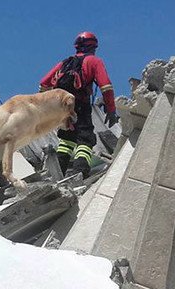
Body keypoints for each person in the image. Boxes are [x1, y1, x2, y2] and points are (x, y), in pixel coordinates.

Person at [39, 31, 119, 178]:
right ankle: (80, 172)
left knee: (66, 140)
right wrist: (111, 110)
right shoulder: (94, 61)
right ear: (93, 47)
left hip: (62, 108)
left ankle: (57, 174)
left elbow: (44, 83)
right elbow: (106, 87)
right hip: (81, 106)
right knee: (85, 139)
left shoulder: (65, 63)